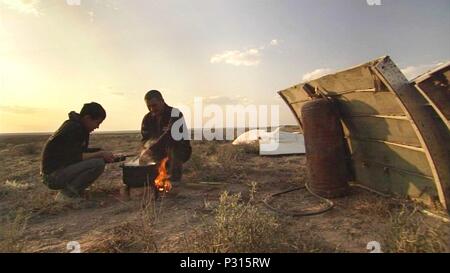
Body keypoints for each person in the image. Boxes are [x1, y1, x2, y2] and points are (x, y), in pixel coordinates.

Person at [40, 102, 115, 199]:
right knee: (97, 164)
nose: (97, 127)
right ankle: (67, 195)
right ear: (87, 118)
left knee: (98, 159)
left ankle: (74, 191)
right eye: (97, 123)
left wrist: (101, 152)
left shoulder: (79, 127)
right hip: (52, 176)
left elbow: (79, 152)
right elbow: (75, 156)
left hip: (57, 172)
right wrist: (100, 154)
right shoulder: (73, 128)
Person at [140, 90, 192, 184]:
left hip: (179, 150)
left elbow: (170, 134)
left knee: (172, 146)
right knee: (145, 160)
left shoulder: (175, 113)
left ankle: (174, 181)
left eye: (154, 105)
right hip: (158, 152)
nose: (152, 109)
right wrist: (145, 150)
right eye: (149, 106)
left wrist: (151, 149)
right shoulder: (147, 118)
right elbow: (145, 139)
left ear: (162, 101)